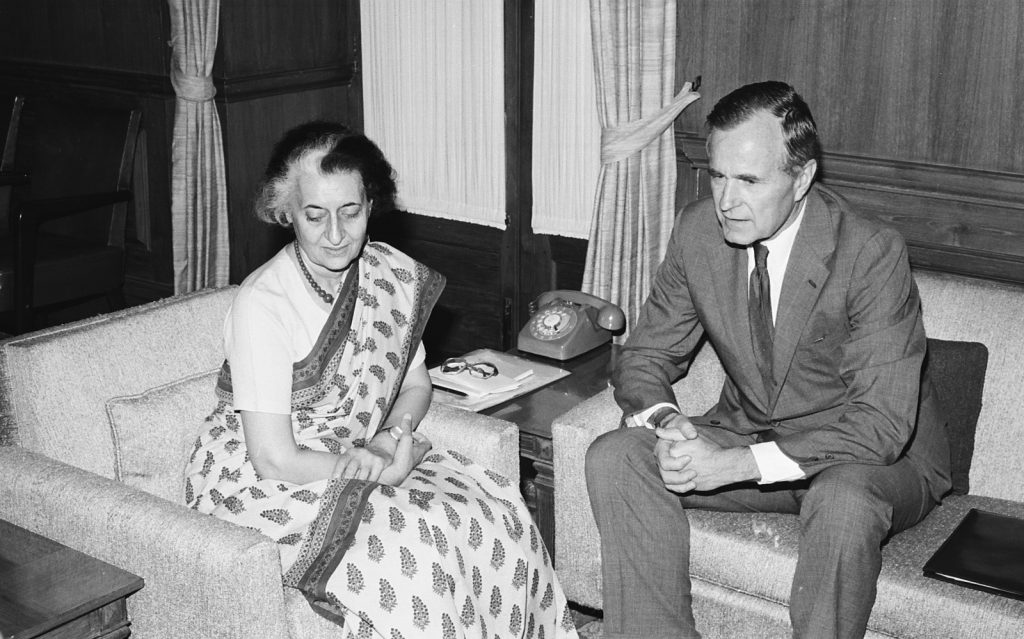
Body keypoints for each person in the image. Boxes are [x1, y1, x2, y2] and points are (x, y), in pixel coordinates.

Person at [185, 121, 579, 639]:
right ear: (285, 213)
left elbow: (416, 386)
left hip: (359, 450)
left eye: (350, 212)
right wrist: (379, 473)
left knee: (496, 508)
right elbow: (274, 459)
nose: (334, 234)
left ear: (370, 204)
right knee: (414, 551)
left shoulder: (385, 274)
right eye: (314, 215)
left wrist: (390, 438)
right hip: (263, 478)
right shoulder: (263, 304)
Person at [585, 81, 951, 639]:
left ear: (801, 178)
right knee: (617, 456)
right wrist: (669, 422)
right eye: (718, 175)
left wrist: (734, 465)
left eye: (750, 181)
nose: (727, 202)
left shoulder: (870, 253)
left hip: (871, 459)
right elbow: (645, 355)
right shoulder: (697, 232)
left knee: (843, 500)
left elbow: (881, 425)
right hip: (752, 434)